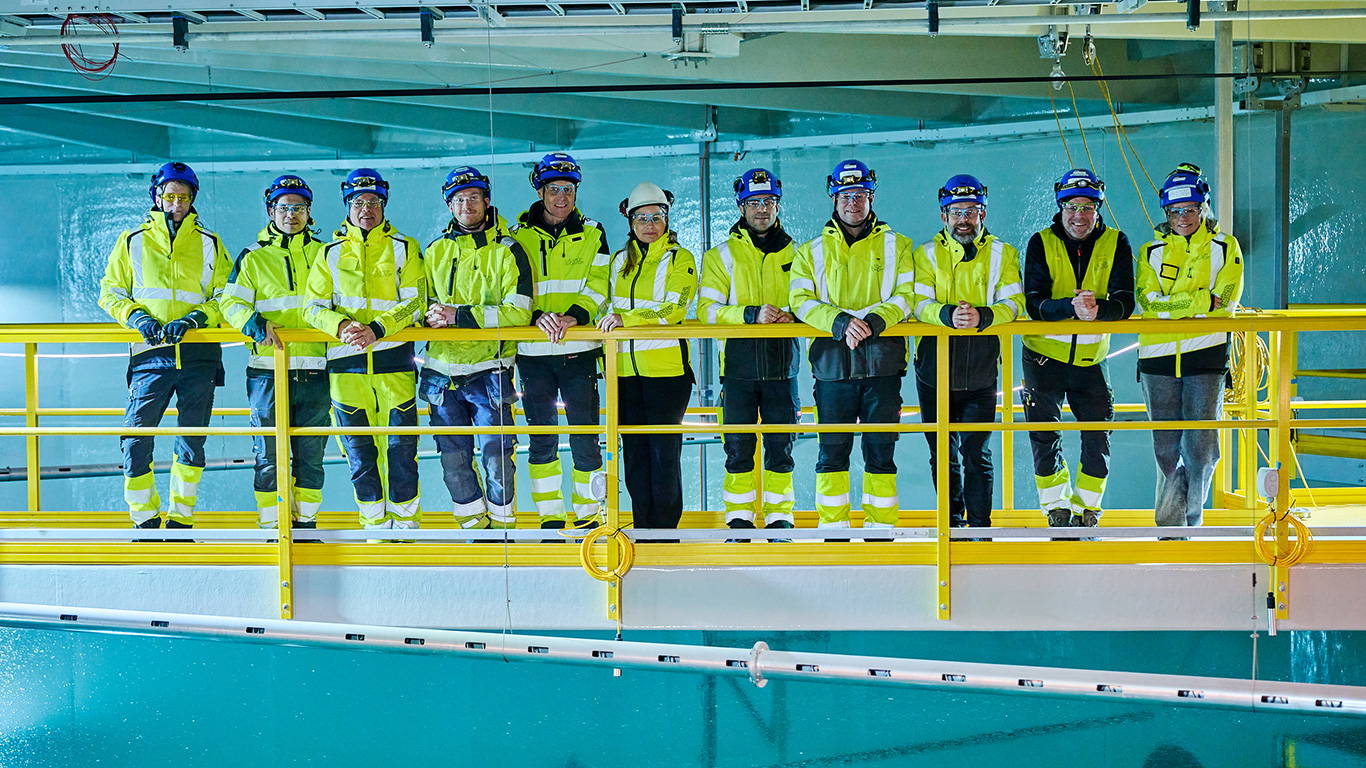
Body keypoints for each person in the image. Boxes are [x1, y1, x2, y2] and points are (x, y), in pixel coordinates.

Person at [98, 162, 232, 532]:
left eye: (183, 197)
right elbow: (111, 292)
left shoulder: (210, 244)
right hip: (149, 355)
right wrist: (137, 318)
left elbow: (227, 297)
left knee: (192, 441)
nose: (175, 203)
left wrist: (196, 320)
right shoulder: (132, 241)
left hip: (199, 356)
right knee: (136, 435)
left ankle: (180, 520)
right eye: (169, 196)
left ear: (192, 200)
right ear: (156, 197)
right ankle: (144, 518)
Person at [790, 159, 915, 535]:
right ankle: (833, 532)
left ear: (871, 198)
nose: (853, 203)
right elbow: (799, 299)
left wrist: (872, 324)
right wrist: (841, 323)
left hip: (883, 367)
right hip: (832, 368)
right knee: (832, 453)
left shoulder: (898, 245)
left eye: (860, 195)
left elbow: (907, 295)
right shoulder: (810, 252)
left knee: (881, 453)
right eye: (846, 195)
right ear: (833, 198)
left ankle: (881, 532)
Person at [303, 168, 426, 531]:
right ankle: (374, 529)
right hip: (345, 368)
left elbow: (416, 301)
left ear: (383, 205)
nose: (366, 208)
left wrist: (377, 329)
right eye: (359, 202)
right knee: (358, 454)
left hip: (395, 364)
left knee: (401, 452)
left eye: (373, 201)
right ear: (347, 206)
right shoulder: (329, 252)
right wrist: (340, 326)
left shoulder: (405, 247)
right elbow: (312, 307)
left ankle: (405, 533)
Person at [1021, 168, 1136, 532]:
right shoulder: (1041, 242)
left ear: (1098, 207)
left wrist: (1099, 309)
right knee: (1044, 435)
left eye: (1087, 206)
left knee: (1098, 433)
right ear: (1060, 207)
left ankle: (1088, 507)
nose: (1079, 215)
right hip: (1043, 357)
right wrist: (1071, 309)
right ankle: (1055, 507)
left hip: (1091, 359)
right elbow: (1034, 303)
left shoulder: (1117, 242)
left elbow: (1126, 301)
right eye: (1072, 206)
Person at [420, 167, 534, 531]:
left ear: (487, 201)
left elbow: (519, 312)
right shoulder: (435, 251)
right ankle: (476, 533)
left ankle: (502, 534)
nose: (466, 205)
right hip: (443, 375)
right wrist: (429, 316)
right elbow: (420, 303)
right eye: (458, 199)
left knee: (498, 458)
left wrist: (459, 316)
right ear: (449, 206)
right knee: (453, 461)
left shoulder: (510, 250)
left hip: (490, 371)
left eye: (473, 197)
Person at [912, 174, 1024, 531]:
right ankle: (951, 527)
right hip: (934, 371)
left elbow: (1015, 302)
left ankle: (980, 528)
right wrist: (948, 315)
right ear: (943, 216)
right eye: (957, 211)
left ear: (983, 215)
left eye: (972, 211)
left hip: (980, 372)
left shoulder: (1004, 254)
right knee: (941, 455)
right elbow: (917, 302)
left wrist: (983, 316)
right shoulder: (925, 254)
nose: (964, 219)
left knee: (977, 454)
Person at [221, 175, 331, 533]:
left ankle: (305, 526)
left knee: (311, 455)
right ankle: (273, 529)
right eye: (284, 207)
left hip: (316, 369)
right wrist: (253, 321)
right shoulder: (252, 257)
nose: (291, 214)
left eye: (299, 207)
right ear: (271, 210)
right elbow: (230, 301)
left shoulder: (326, 253)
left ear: (309, 212)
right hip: (268, 371)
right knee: (268, 454)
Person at [1136, 164, 1244, 528]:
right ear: (1166, 213)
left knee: (1201, 448)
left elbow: (1225, 303)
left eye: (1190, 209)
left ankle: (1191, 521)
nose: (1183, 217)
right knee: (1165, 447)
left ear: (1204, 208)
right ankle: (1169, 527)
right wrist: (1200, 302)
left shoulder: (1226, 248)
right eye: (1175, 211)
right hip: (1157, 360)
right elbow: (1148, 303)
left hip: (1205, 358)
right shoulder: (1149, 251)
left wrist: (1174, 306)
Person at [510, 153, 611, 530]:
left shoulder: (594, 233)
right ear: (540, 191)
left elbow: (599, 287)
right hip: (533, 354)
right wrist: (536, 317)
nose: (562, 198)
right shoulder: (515, 234)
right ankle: (550, 518)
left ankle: (588, 517)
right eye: (554, 189)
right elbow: (511, 288)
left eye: (568, 190)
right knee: (542, 440)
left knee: (586, 439)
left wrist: (573, 317)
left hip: (579, 352)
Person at [698, 168, 800, 538]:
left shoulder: (797, 254)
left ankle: (778, 519)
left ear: (778, 205)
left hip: (782, 367)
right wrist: (748, 314)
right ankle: (739, 520)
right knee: (738, 448)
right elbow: (706, 310)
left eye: (769, 202)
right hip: (738, 370)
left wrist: (797, 314)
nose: (762, 210)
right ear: (741, 207)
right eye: (754, 203)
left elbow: (810, 299)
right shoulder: (720, 256)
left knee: (781, 448)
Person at [596, 182, 697, 532]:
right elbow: (604, 306)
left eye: (657, 216)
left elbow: (674, 309)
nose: (650, 224)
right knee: (635, 457)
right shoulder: (618, 261)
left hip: (667, 376)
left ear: (667, 219)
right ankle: (642, 528)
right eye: (642, 218)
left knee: (664, 456)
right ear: (631, 221)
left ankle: (665, 533)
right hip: (622, 373)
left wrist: (629, 320)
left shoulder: (680, 259)